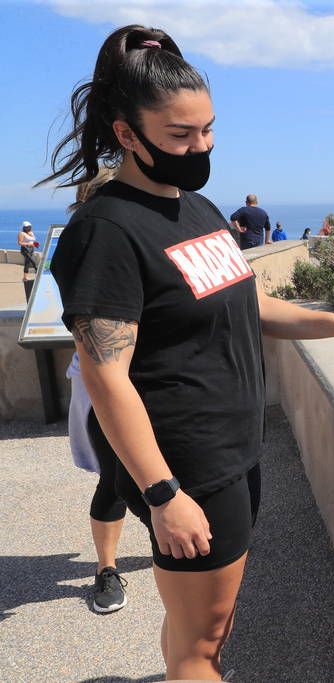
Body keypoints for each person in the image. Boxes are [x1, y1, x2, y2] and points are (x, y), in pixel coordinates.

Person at [38, 25, 334, 681]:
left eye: (207, 130)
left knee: (196, 625)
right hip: (188, 462)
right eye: (180, 135)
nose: (200, 146)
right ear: (126, 134)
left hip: (235, 449)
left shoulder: (197, 208)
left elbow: (247, 302)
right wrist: (164, 491)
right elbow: (105, 372)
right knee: (205, 646)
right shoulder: (107, 231)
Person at [66, 166, 130, 613]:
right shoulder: (88, 247)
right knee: (114, 478)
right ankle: (105, 568)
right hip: (107, 383)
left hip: (160, 381)